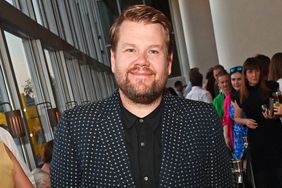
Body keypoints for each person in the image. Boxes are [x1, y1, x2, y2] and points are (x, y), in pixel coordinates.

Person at [51, 5, 233, 187]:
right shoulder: (75, 128)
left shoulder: (203, 120)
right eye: (131, 50)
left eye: (153, 51)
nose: (142, 61)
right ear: (113, 60)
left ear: (169, 63)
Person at [234, 57, 282, 187]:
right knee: (262, 178)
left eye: (256, 71)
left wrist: (275, 114)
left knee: (279, 174)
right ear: (245, 74)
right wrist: (245, 121)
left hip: (275, 135)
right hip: (257, 139)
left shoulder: (271, 87)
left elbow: (279, 106)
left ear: (261, 72)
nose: (254, 75)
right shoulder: (240, 94)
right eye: (250, 72)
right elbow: (236, 117)